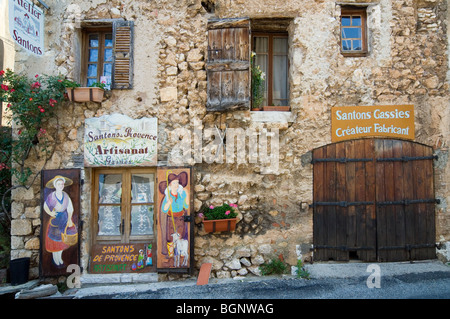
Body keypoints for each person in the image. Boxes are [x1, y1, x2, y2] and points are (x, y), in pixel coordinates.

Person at [43, 175, 76, 267]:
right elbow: (45, 206)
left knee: (62, 239)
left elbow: (70, 208)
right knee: (54, 240)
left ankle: (60, 258)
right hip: (55, 220)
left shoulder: (65, 196)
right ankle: (55, 259)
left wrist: (69, 219)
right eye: (59, 184)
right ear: (55, 185)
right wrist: (51, 213)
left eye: (62, 184)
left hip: (64, 219)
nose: (61, 186)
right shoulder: (52, 196)